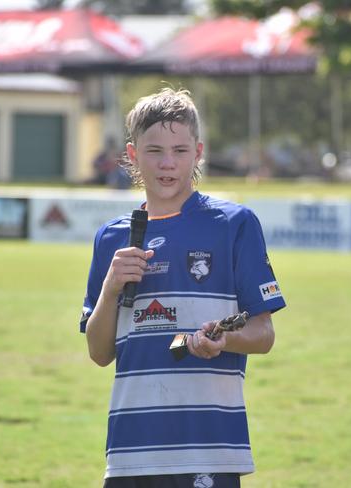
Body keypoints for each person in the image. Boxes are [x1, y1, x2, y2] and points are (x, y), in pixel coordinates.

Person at [80, 88, 286, 488]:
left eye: (179, 149)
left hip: (207, 448)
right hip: (129, 453)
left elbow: (264, 335)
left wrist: (222, 342)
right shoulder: (111, 238)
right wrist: (109, 289)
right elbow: (99, 352)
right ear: (133, 154)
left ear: (198, 152)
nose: (168, 163)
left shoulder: (234, 225)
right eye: (154, 150)